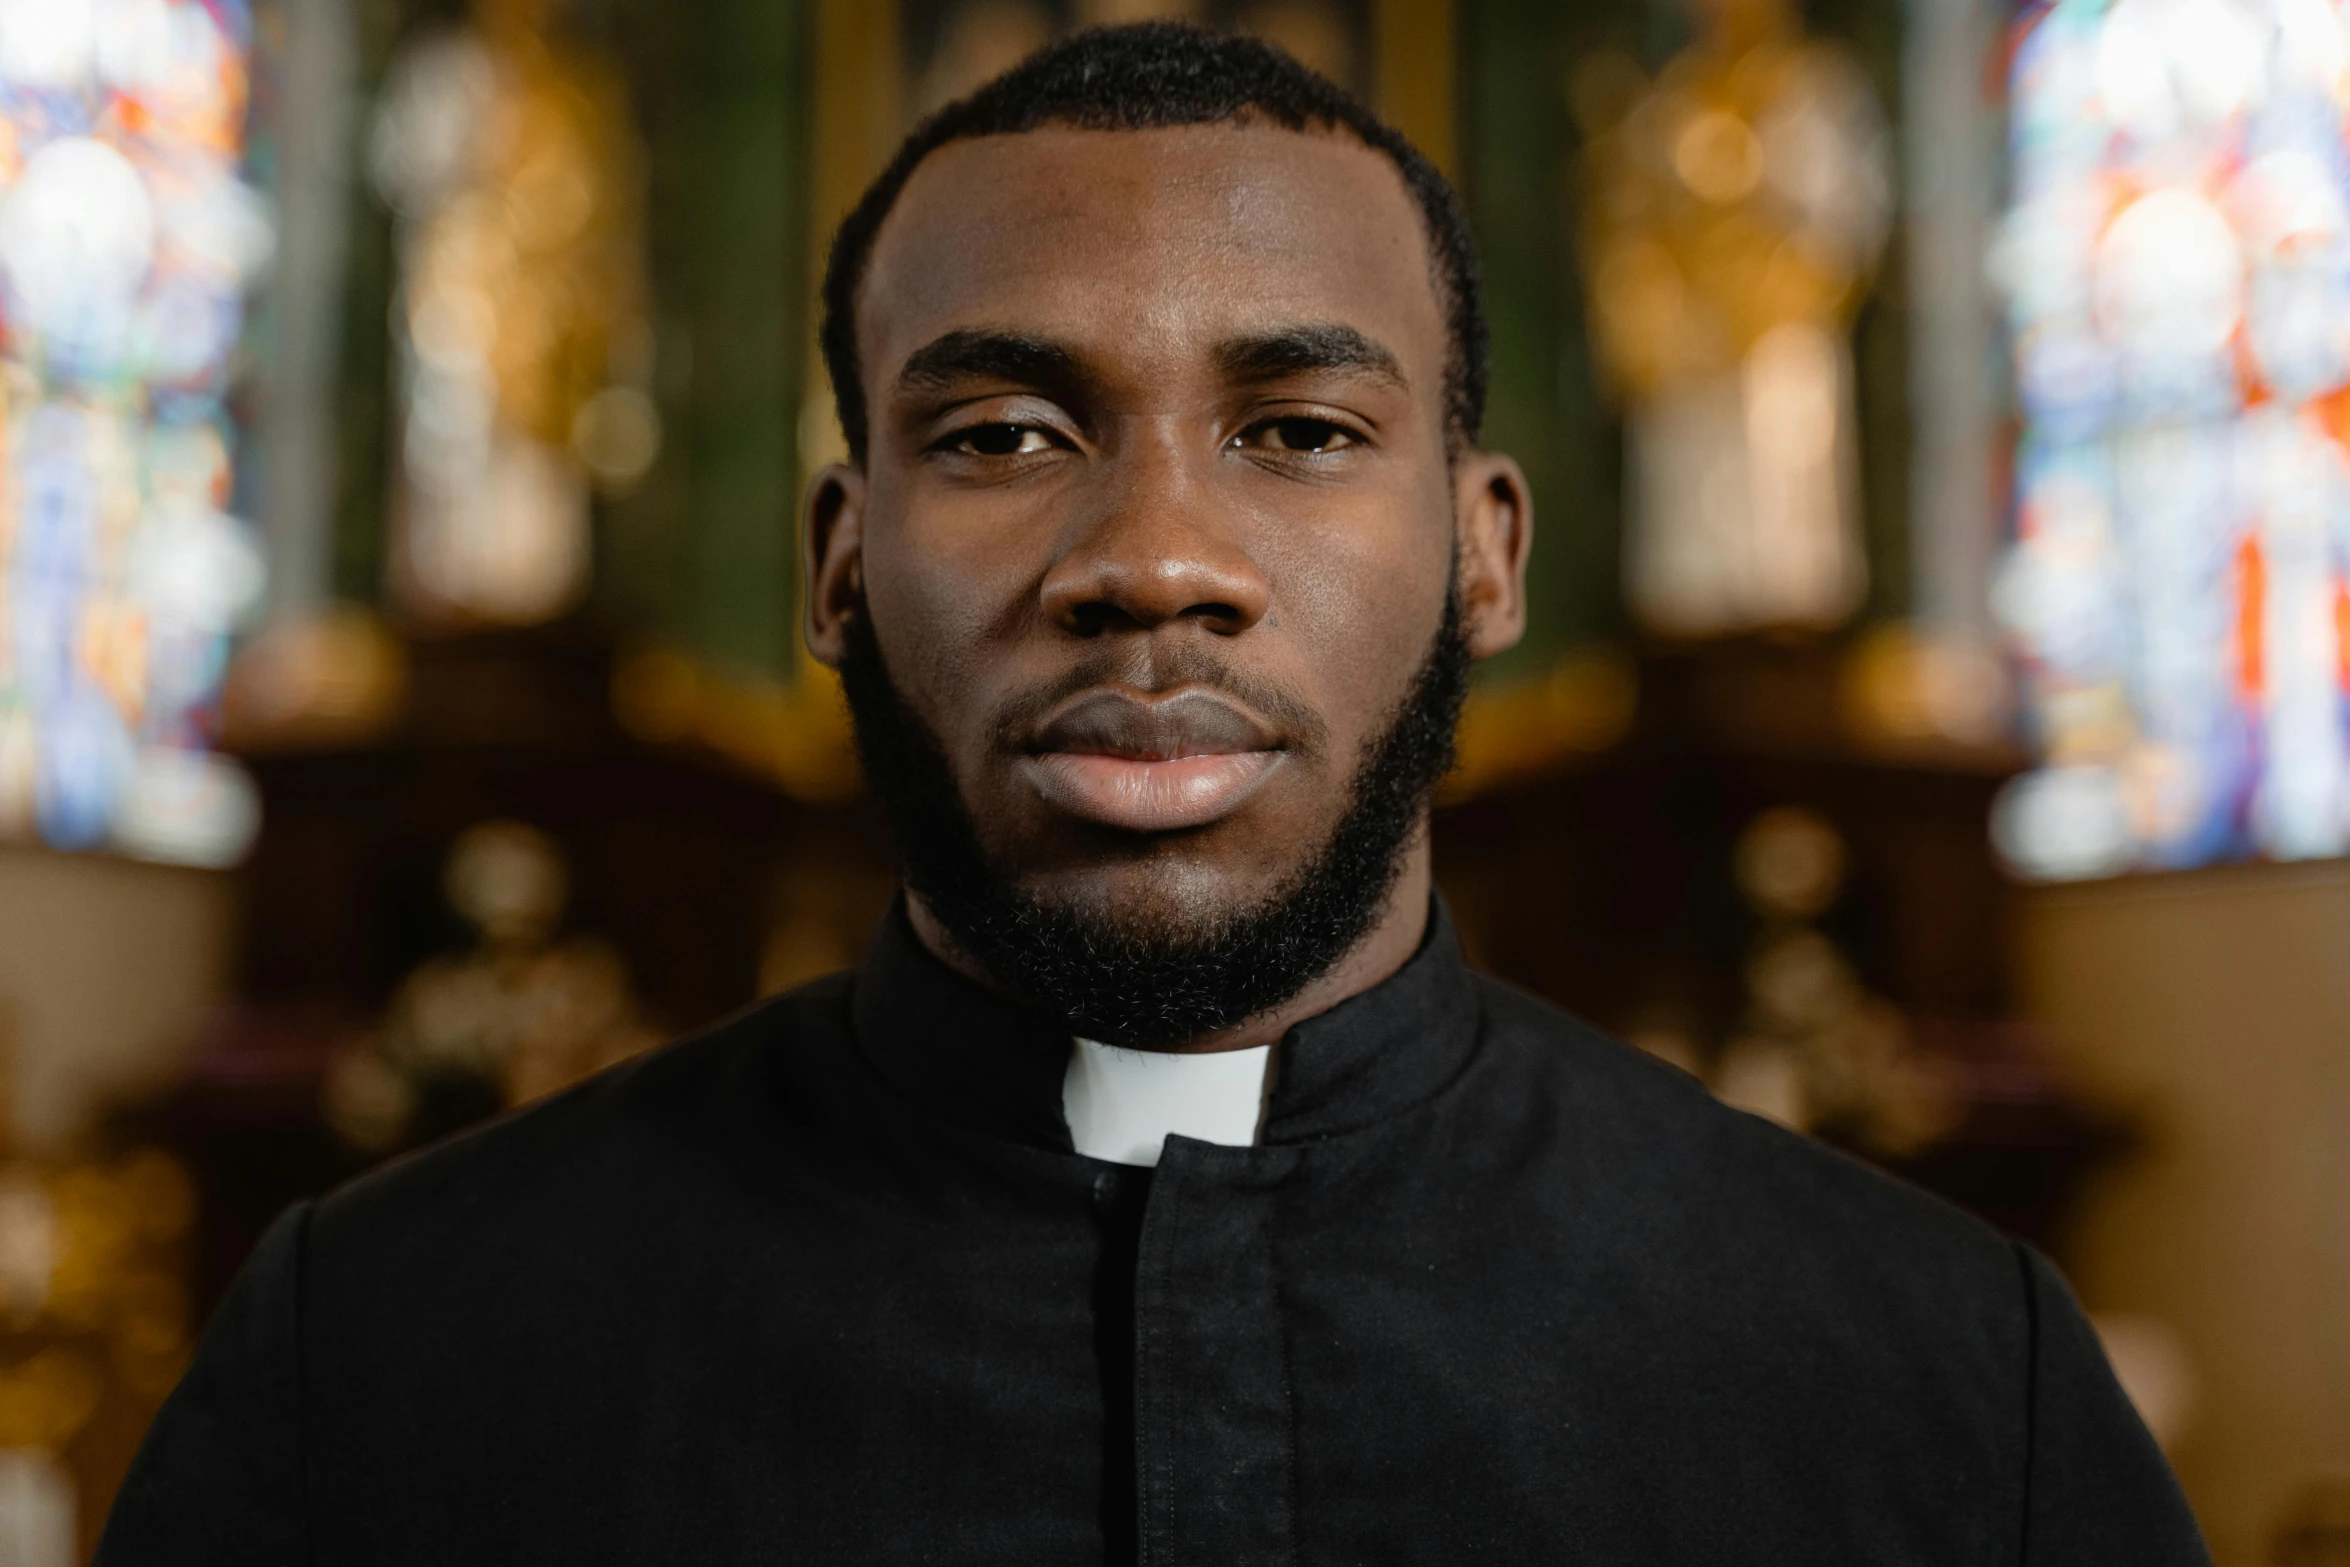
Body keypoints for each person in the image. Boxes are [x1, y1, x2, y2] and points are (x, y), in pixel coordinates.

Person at [98, 24, 2210, 1565]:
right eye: (1008, 432)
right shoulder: (375, 1357)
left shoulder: (1945, 1382)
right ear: (839, 564)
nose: (1151, 557)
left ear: (1484, 551)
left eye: (1295, 430)